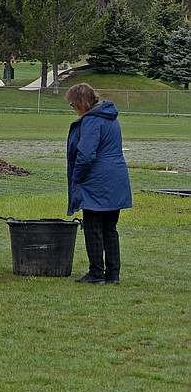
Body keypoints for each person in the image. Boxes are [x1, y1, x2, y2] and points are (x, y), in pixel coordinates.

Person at [65, 82, 132, 285]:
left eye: (73, 104)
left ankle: (96, 273)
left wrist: (77, 178)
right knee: (109, 228)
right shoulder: (111, 118)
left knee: (93, 228)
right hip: (116, 178)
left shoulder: (92, 121)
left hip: (97, 181)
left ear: (81, 103)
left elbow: (86, 155)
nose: (73, 109)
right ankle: (113, 274)